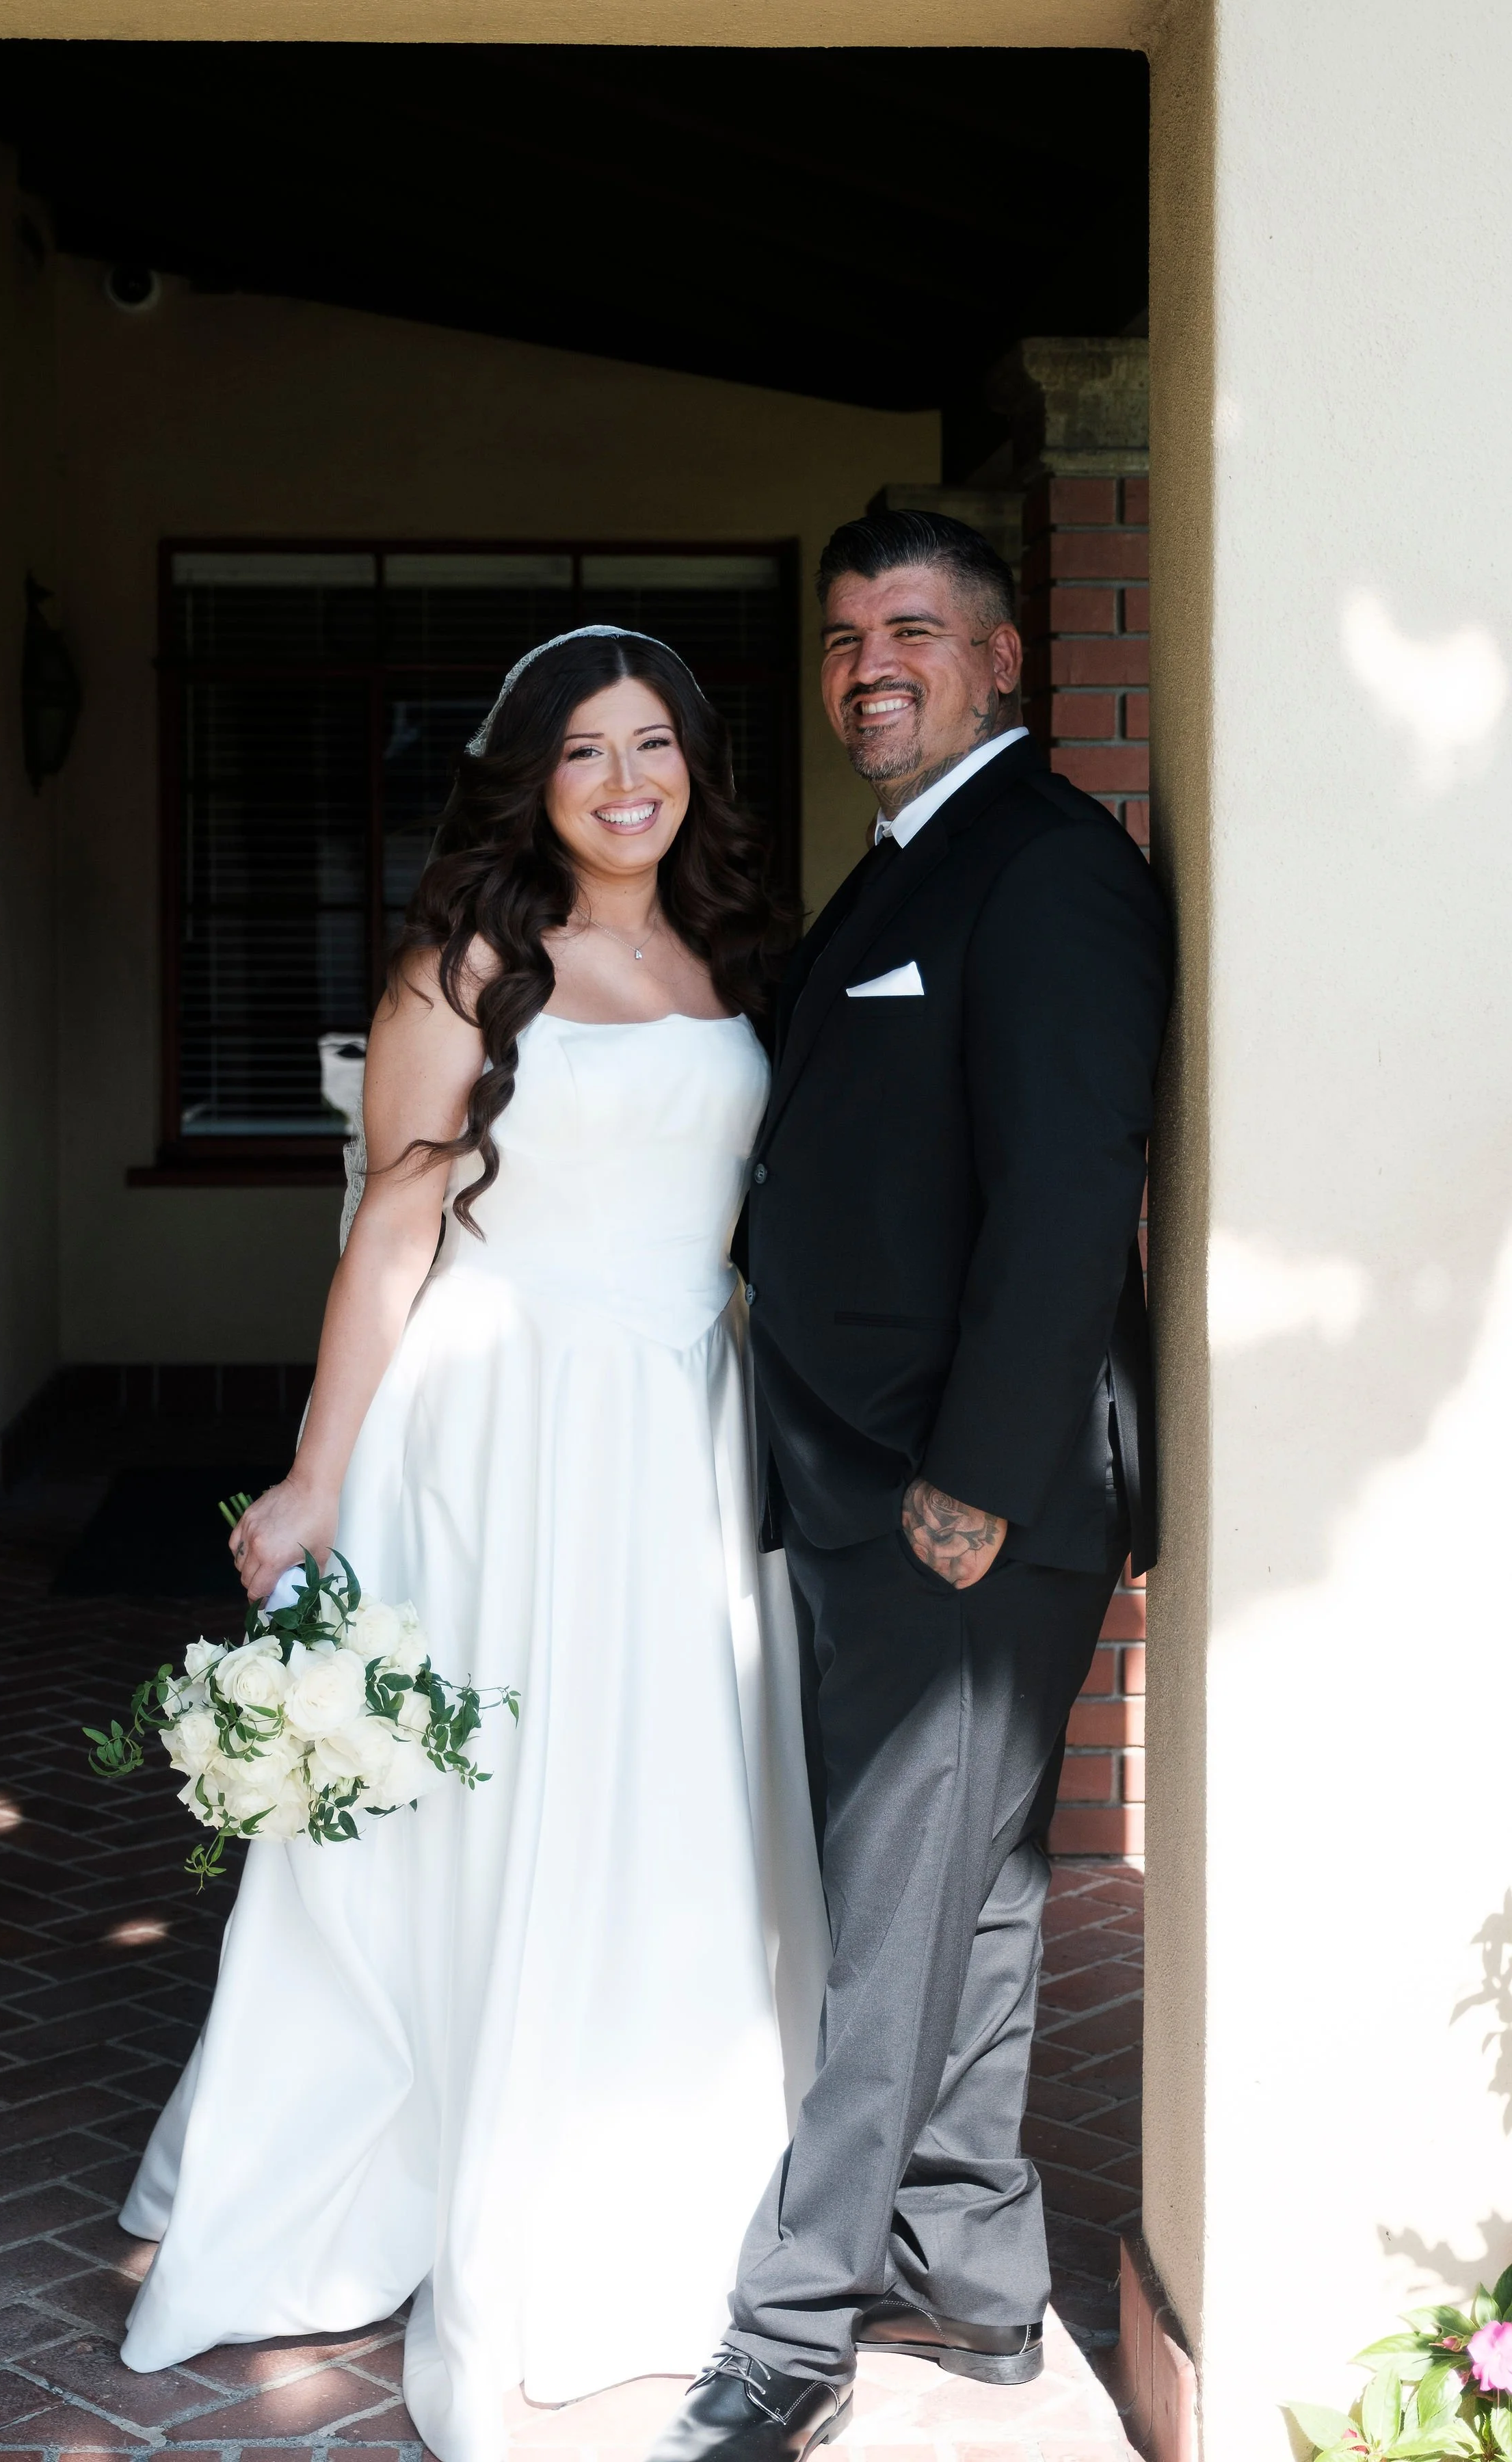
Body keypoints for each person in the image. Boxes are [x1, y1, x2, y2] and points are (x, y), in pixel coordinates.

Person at [116, 628, 830, 2462]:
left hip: (681, 1419)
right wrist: (313, 1476)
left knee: (662, 1796)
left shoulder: (731, 948)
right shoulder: (466, 968)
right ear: (530, 777)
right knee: (491, 1808)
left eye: (655, 744)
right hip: (504, 1433)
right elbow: (394, 1237)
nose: (624, 779)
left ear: (693, 769)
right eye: (586, 750)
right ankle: (426, 2172)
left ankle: (663, 2170)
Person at [652, 509, 1173, 2462]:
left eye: (919, 630)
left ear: (1007, 658)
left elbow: (1066, 1190)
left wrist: (973, 1477)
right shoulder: (911, 863)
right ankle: (976, 2274)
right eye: (849, 631)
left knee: (891, 1908)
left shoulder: (1042, 870)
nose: (874, 660)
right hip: (873, 1475)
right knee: (970, 1898)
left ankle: (790, 2334)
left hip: (962, 1495)